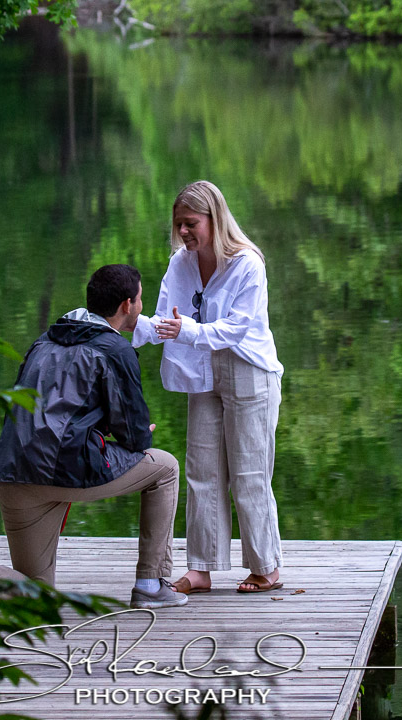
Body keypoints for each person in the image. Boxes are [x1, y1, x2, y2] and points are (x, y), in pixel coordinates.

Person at [0, 264, 187, 620]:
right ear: (126, 305)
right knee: (165, 468)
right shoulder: (115, 350)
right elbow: (133, 438)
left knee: (37, 593)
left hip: (13, 474)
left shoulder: (43, 341)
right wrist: (140, 431)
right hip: (63, 470)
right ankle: (151, 584)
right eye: (140, 299)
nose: (141, 306)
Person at [133, 180, 284, 594]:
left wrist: (186, 331)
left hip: (248, 370)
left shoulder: (248, 264)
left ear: (214, 219)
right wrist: (120, 325)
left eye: (190, 223)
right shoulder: (180, 263)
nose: (183, 231)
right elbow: (166, 321)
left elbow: (236, 329)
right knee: (201, 470)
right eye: (178, 224)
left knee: (250, 473)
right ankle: (201, 568)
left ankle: (266, 567)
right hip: (201, 370)